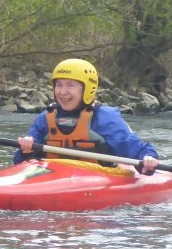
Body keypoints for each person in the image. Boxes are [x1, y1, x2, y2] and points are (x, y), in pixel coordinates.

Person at [15, 58, 160, 175]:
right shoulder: (45, 118)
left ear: (87, 89)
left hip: (96, 180)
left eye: (70, 85)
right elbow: (20, 162)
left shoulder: (104, 119)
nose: (62, 92)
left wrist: (148, 158)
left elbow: (137, 150)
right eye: (59, 85)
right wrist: (26, 149)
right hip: (52, 177)